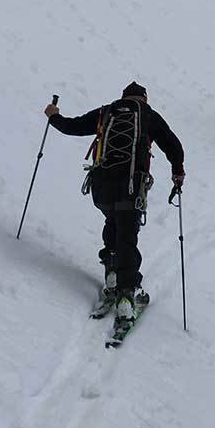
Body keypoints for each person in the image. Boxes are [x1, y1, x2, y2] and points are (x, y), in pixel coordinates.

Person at [44, 82, 184, 324]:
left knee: (112, 222)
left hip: (102, 188)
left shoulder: (106, 112)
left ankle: (111, 274)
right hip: (130, 188)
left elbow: (73, 126)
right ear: (144, 99)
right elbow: (173, 145)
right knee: (127, 236)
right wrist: (178, 171)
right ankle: (126, 297)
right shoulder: (148, 115)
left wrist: (53, 116)